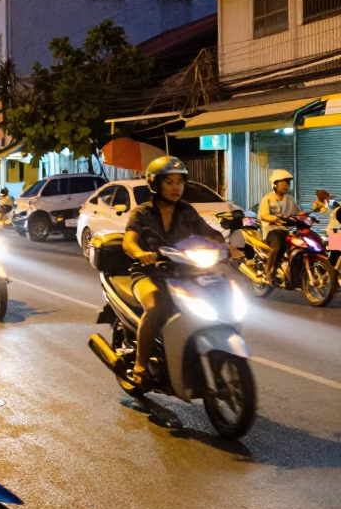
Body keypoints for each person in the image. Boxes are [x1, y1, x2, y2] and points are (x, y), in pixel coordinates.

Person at [122, 157, 234, 387]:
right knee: (157, 307)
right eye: (169, 182)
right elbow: (128, 242)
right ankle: (140, 365)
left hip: (183, 271)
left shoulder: (187, 211)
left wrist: (226, 247)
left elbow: (209, 233)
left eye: (180, 182)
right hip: (148, 272)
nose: (176, 188)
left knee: (219, 293)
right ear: (156, 185)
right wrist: (141, 253)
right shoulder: (142, 213)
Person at [258, 169, 299, 285]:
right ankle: (269, 272)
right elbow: (263, 215)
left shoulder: (290, 199)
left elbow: (298, 213)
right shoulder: (268, 198)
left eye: (288, 182)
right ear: (275, 184)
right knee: (278, 244)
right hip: (271, 230)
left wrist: (308, 216)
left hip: (286, 230)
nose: (286, 185)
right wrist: (275, 218)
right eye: (283, 182)